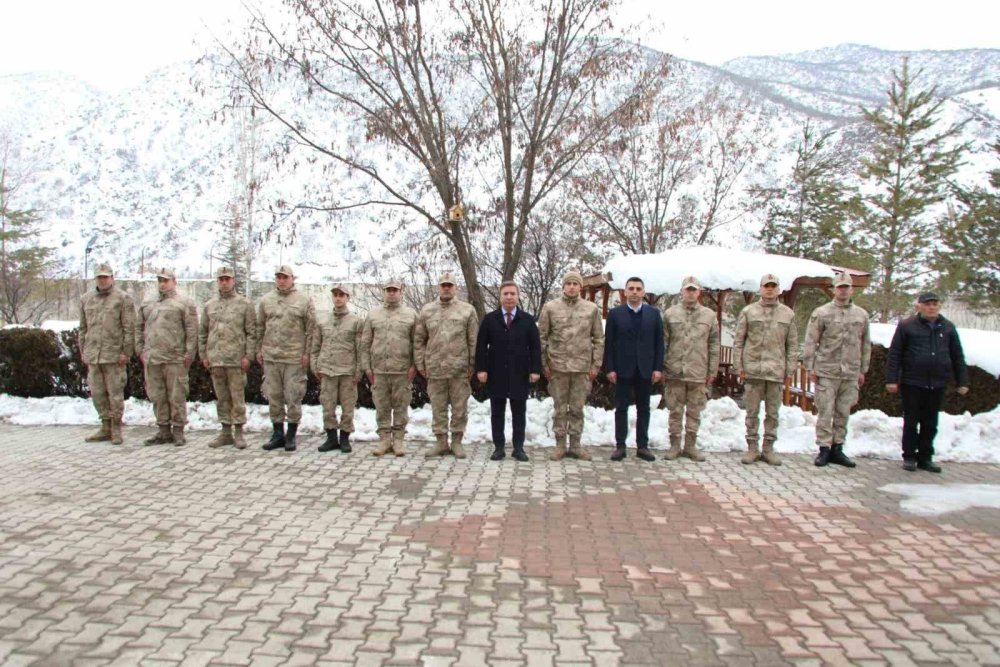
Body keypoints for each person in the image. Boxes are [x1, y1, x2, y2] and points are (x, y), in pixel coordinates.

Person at [885, 292, 969, 472]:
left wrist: (962, 381)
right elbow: (895, 354)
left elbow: (957, 355)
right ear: (919, 306)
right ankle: (909, 456)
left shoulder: (948, 327)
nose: (931, 307)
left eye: (934, 304)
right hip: (912, 382)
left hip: (937, 383)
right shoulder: (907, 326)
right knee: (911, 421)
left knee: (930, 423)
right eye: (927, 304)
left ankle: (925, 457)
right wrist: (892, 379)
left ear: (939, 306)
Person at [803, 272, 871, 467]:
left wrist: (862, 370)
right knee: (825, 411)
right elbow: (811, 340)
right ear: (834, 289)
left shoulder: (861, 315)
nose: (843, 290)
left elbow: (865, 343)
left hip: (850, 372)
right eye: (839, 287)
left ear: (851, 289)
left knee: (843, 412)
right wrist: (810, 366)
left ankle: (838, 448)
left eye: (846, 287)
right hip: (827, 370)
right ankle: (824, 448)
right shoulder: (821, 313)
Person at [538, 269, 605, 461]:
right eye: (568, 283)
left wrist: (595, 366)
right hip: (557, 367)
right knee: (559, 409)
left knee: (577, 409)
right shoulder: (550, 308)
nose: (572, 287)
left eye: (575, 284)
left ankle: (575, 445)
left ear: (580, 287)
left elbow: (599, 339)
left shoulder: (591, 309)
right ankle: (560, 445)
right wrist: (544, 364)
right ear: (563, 286)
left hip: (581, 368)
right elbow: (542, 338)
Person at [733, 273, 798, 465]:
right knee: (751, 412)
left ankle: (768, 449)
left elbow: (792, 344)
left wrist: (790, 370)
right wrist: (739, 366)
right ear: (760, 289)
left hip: (775, 371)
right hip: (753, 370)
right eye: (766, 286)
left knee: (773, 414)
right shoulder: (748, 312)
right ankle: (752, 448)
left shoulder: (788, 314)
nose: (769, 290)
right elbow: (739, 341)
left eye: (773, 286)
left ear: (778, 289)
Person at [475, 281, 542, 461]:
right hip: (496, 373)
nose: (509, 297)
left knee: (519, 413)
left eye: (513, 293)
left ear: (518, 296)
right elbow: (481, 346)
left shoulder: (527, 320)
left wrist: (535, 369)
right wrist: (481, 369)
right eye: (506, 294)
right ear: (500, 297)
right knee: (497, 412)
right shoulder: (490, 319)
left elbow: (535, 347)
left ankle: (518, 448)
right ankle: (499, 447)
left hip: (519, 373)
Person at [415, 271, 479, 459]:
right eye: (443, 285)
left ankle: (457, 442)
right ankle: (441, 442)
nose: (446, 288)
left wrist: (472, 364)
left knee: (459, 408)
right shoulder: (427, 311)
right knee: (438, 408)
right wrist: (420, 364)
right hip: (435, 369)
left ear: (455, 288)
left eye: (450, 285)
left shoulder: (467, 310)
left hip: (459, 369)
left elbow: (473, 340)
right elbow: (419, 340)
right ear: (439, 287)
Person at [603, 277, 663, 462]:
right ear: (625, 292)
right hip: (622, 369)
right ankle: (620, 446)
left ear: (643, 292)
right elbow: (609, 343)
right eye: (631, 288)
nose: (635, 292)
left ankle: (642, 447)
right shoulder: (615, 314)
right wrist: (610, 368)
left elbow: (659, 343)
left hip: (645, 369)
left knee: (644, 409)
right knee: (621, 408)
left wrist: (657, 368)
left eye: (638, 289)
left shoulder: (654, 314)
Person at [661, 276, 720, 462]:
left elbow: (714, 345)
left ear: (698, 292)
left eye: (694, 289)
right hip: (675, 371)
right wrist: (662, 367)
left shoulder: (709, 316)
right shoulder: (670, 314)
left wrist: (712, 371)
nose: (690, 293)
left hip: (698, 372)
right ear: (681, 291)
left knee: (694, 412)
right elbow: (663, 343)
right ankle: (674, 445)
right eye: (687, 289)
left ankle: (690, 446)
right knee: (675, 411)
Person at [257, 265, 315, 452]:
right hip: (272, 357)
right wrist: (259, 349)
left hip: (293, 358)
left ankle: (291, 435)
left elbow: (311, 330)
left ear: (292, 278)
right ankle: (277, 434)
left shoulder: (304, 300)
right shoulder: (266, 300)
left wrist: (307, 353)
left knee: (293, 396)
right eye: (279, 277)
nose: (281, 281)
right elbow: (260, 327)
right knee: (273, 396)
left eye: (285, 277)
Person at [137, 267, 198, 446]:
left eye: (166, 280)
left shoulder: (184, 302)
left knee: (176, 396)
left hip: (175, 358)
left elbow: (192, 330)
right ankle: (163, 430)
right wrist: (140, 349)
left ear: (174, 281)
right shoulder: (148, 302)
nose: (162, 284)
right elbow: (138, 326)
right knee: (157, 396)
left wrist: (189, 353)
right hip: (153, 358)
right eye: (160, 280)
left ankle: (178, 431)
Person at [199, 266, 257, 449]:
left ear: (233, 281)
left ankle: (238, 433)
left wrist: (248, 356)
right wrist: (204, 355)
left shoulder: (245, 304)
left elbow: (252, 333)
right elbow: (203, 333)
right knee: (222, 398)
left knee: (237, 398)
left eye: (227, 279)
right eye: (221, 279)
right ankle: (225, 433)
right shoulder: (210, 305)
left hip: (235, 360)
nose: (224, 283)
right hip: (216, 360)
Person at [79, 262, 135, 446]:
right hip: (94, 355)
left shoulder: (122, 298)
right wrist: (83, 350)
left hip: (113, 355)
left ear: (112, 278)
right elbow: (83, 328)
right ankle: (105, 426)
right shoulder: (86, 299)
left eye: (105, 277)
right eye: (99, 277)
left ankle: (116, 428)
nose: (102, 280)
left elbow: (129, 328)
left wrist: (125, 352)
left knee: (115, 393)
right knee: (97, 392)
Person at [362, 278, 417, 457]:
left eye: (395, 290)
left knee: (401, 407)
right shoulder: (373, 315)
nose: (391, 293)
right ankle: (384, 440)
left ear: (401, 292)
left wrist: (415, 366)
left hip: (402, 371)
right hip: (379, 371)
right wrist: (367, 367)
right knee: (382, 407)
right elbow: (365, 343)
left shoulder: (411, 315)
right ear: (384, 292)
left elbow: (417, 343)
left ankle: (398, 440)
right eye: (388, 290)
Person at [311, 283, 364, 454]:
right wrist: (315, 365)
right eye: (335, 295)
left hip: (347, 371)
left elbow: (360, 348)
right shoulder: (322, 320)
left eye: (342, 295)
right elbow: (316, 345)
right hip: (327, 370)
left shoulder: (356, 321)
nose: (338, 298)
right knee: (328, 406)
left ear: (348, 298)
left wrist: (359, 370)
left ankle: (345, 438)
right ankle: (331, 438)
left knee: (348, 408)